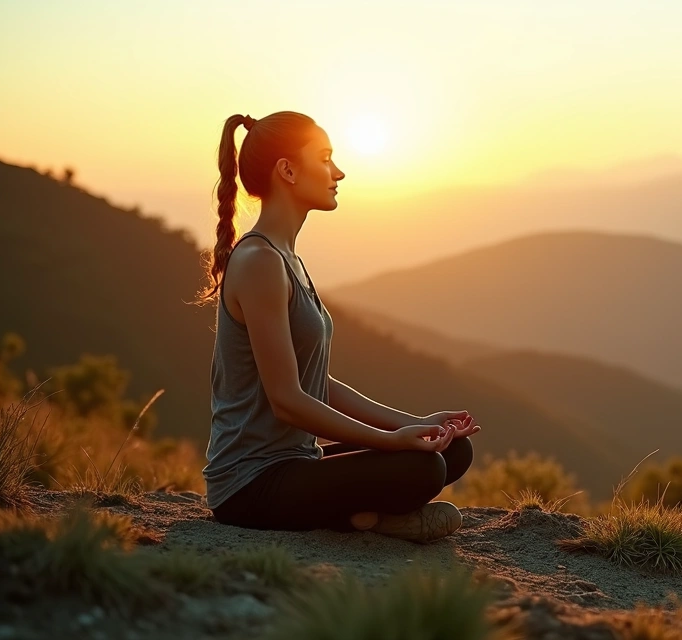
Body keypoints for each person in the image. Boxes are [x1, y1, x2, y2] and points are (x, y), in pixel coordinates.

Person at [195, 111, 479, 543]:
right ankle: (367, 518)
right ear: (287, 170)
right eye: (325, 158)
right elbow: (287, 401)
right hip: (250, 486)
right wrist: (392, 443)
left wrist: (412, 424)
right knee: (421, 467)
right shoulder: (259, 263)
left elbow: (315, 384)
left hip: (296, 464)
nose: (338, 172)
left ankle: (364, 514)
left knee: (451, 448)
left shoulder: (286, 258)